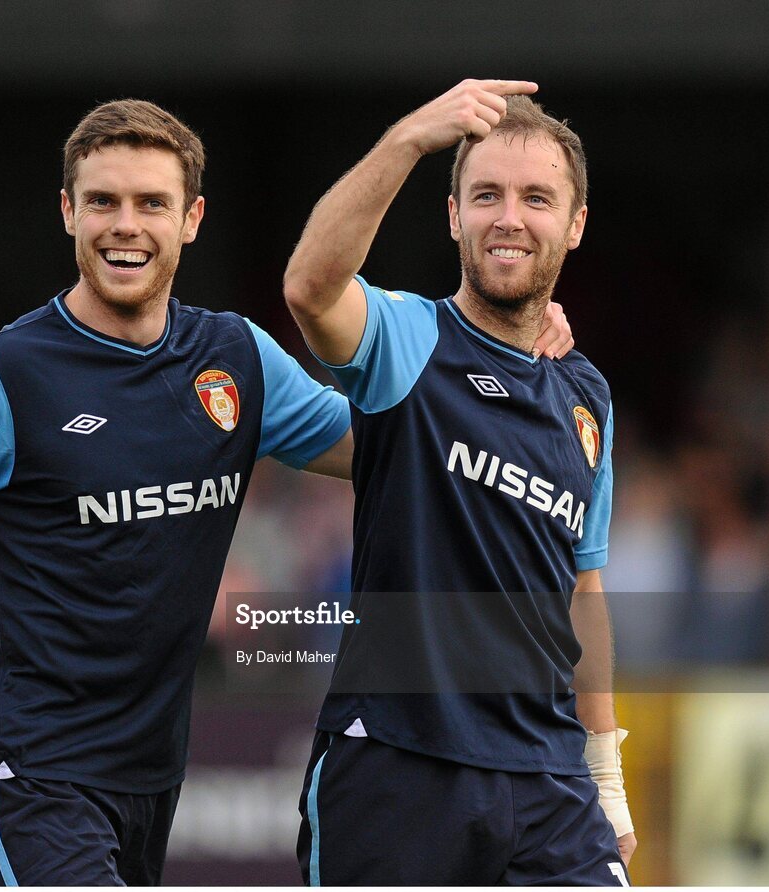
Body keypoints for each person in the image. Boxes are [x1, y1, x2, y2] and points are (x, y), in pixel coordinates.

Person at [0, 98, 574, 886]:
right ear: (67, 213)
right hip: (29, 770)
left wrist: (504, 345)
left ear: (190, 218)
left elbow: (403, 444)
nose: (127, 225)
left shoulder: (236, 359)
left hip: (152, 772)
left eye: (151, 203)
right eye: (103, 202)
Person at [284, 79, 636, 885]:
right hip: (397, 768)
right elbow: (310, 288)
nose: (510, 217)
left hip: (549, 780)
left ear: (575, 225)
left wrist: (607, 778)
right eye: (486, 195)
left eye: (536, 198)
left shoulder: (588, 396)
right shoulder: (409, 337)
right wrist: (410, 138)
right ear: (454, 217)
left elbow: (585, 586)